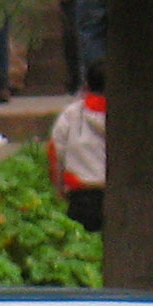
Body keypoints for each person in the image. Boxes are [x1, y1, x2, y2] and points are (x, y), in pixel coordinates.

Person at [48, 60, 107, 232]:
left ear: (86, 85)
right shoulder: (130, 115)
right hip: (119, 196)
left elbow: (56, 153)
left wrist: (58, 190)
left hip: (81, 194)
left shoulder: (71, 114)